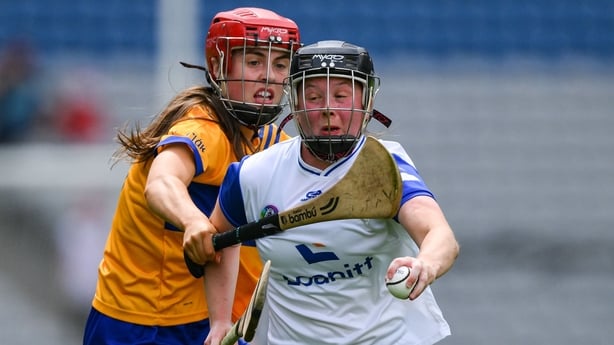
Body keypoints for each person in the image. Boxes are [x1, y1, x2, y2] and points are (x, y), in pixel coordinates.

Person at [196, 40, 460, 345]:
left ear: (367, 101)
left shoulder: (384, 166)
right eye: (313, 96)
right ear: (294, 102)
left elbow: (440, 235)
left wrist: (425, 264)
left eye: (342, 96)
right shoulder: (253, 174)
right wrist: (219, 321)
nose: (328, 109)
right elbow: (219, 241)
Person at [83, 7, 300, 345]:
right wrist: (193, 221)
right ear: (217, 67)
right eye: (255, 61)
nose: (269, 76)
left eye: (279, 65)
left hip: (213, 324)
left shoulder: (271, 146)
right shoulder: (202, 129)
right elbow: (161, 183)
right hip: (142, 326)